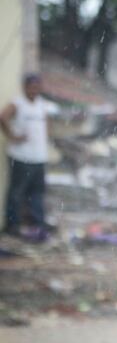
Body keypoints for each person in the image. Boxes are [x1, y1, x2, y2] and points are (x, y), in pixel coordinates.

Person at [2, 73, 55, 239]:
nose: (35, 90)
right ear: (25, 87)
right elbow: (3, 117)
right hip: (20, 157)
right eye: (32, 86)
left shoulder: (42, 105)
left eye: (37, 86)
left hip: (39, 157)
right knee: (17, 193)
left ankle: (37, 225)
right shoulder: (18, 103)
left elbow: (46, 126)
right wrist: (12, 136)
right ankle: (13, 226)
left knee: (37, 193)